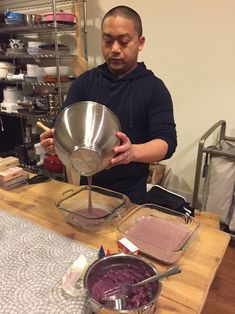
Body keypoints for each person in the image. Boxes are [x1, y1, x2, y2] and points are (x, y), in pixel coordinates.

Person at [40, 5, 177, 204]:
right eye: (107, 40)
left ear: (140, 42)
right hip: (88, 189)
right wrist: (55, 145)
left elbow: (167, 143)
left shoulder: (154, 88)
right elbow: (61, 128)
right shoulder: (85, 83)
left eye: (123, 41)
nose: (114, 49)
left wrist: (132, 152)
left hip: (132, 196)